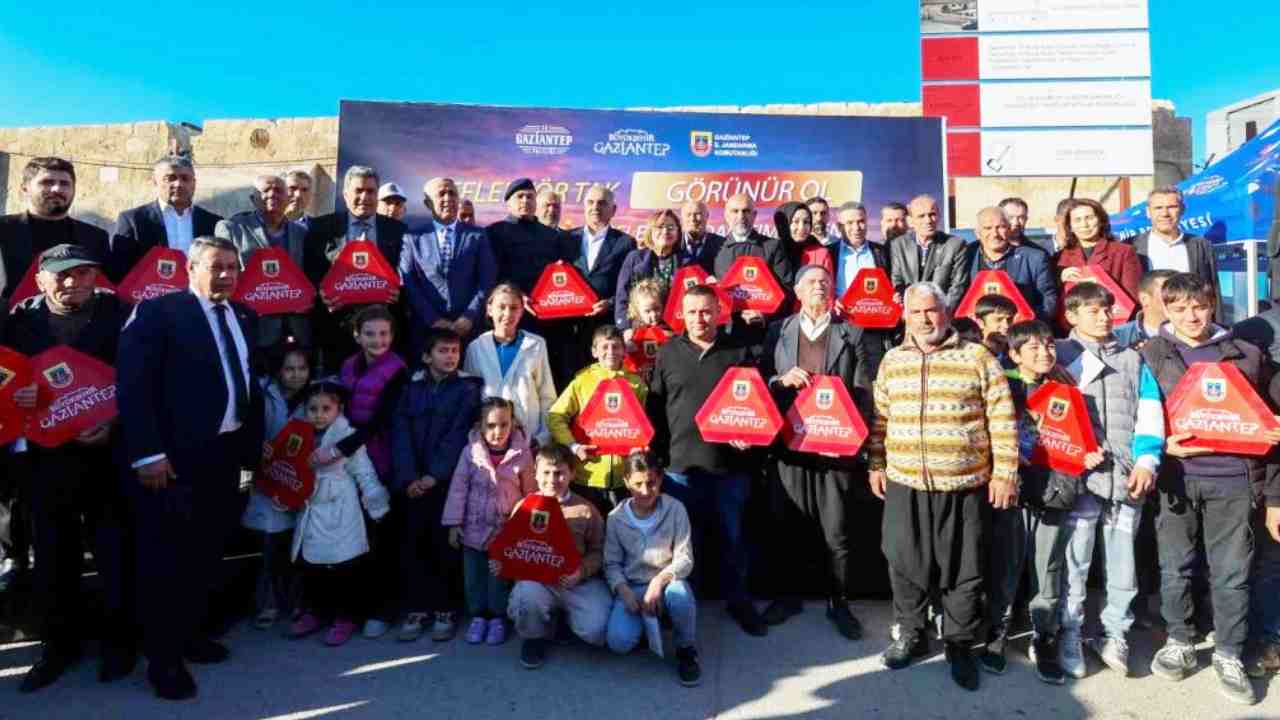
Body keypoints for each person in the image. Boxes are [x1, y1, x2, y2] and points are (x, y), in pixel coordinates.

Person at [117, 236, 263, 700]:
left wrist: (249, 454)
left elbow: (246, 383)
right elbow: (134, 386)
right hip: (173, 461)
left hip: (224, 457)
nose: (226, 275)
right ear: (191, 269)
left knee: (205, 553)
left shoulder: (244, 315)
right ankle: (163, 662)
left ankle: (191, 637)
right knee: (166, 561)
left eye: (233, 267)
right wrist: (147, 454)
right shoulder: (160, 313)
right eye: (216, 267)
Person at [867, 281, 1018, 691]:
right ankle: (913, 634)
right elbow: (881, 419)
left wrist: (1005, 473)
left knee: (963, 569)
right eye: (915, 312)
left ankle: (959, 644)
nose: (924, 319)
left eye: (931, 311)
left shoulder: (977, 358)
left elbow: (1002, 419)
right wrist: (876, 463)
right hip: (905, 480)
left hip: (962, 483)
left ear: (947, 313)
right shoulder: (892, 360)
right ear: (906, 317)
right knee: (903, 562)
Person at [1139, 273, 1275, 706]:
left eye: (1198, 307)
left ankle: (1229, 652)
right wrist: (1162, 447)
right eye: (1179, 309)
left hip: (1233, 480)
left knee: (1231, 573)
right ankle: (1180, 639)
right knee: (1175, 566)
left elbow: (1268, 420)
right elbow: (1144, 415)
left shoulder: (1247, 355)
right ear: (1166, 310)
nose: (1190, 316)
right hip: (1179, 478)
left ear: (1212, 304)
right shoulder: (1153, 352)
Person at [5, 244, 133, 692]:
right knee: (53, 558)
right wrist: (16, 396)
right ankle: (58, 648)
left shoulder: (121, 314)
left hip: (106, 454)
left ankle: (119, 645)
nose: (73, 283)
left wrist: (113, 422)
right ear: (40, 279)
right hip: (45, 461)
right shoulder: (18, 321)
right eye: (62, 275)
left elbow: (139, 376)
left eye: (82, 274)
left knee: (114, 552)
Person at [761, 265, 881, 638]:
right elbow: (761, 380)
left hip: (836, 448)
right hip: (790, 446)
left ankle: (839, 602)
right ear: (797, 289)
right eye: (811, 281)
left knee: (837, 529)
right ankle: (787, 596)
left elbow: (865, 391)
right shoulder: (777, 331)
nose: (819, 286)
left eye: (825, 282)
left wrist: (847, 435)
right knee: (787, 525)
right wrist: (781, 380)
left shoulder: (853, 331)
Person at [1053, 282, 1164, 680]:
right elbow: (1050, 416)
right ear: (1072, 315)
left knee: (1123, 560)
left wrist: (1147, 461)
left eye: (1107, 309)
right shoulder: (1058, 356)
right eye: (1093, 310)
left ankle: (1115, 631)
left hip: (1127, 477)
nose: (1103, 316)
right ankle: (1070, 631)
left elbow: (1150, 412)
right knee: (1075, 559)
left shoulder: (1134, 360)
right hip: (1082, 479)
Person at [647, 285, 767, 636]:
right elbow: (655, 409)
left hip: (729, 467)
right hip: (680, 468)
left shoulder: (739, 352)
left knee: (733, 541)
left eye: (706, 311)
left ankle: (739, 602)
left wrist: (752, 439)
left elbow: (756, 408)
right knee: (683, 546)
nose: (700, 318)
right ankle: (684, 606)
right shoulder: (668, 352)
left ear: (719, 313)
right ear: (681, 314)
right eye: (693, 311)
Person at [990, 320, 1094, 684]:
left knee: (1048, 567)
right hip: (1013, 488)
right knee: (1007, 564)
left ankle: (1042, 637)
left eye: (1049, 345)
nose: (1045, 352)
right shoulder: (1003, 385)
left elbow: (1084, 437)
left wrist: (1090, 453)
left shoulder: (1067, 388)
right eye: (1033, 347)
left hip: (1055, 487)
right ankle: (997, 633)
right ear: (1014, 354)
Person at [389, 328, 481, 643]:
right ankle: (417, 607)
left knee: (445, 546)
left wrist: (433, 476)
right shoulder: (410, 388)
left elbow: (458, 435)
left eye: (455, 351)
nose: (450, 356)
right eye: (443, 351)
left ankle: (445, 608)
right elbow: (399, 433)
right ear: (427, 356)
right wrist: (409, 477)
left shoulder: (468, 389)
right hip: (412, 482)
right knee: (414, 544)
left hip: (445, 481)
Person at [286, 381, 391, 646]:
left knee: (343, 566)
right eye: (313, 409)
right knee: (311, 564)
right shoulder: (298, 436)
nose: (319, 414)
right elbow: (289, 467)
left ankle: (345, 617)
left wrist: (376, 501)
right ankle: (315, 611)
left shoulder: (347, 437)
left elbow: (363, 472)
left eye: (326, 409)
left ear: (338, 409)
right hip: (311, 508)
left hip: (340, 509)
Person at [335, 305, 408, 638]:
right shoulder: (348, 366)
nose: (377, 340)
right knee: (353, 535)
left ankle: (383, 609)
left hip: (382, 458)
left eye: (384, 333)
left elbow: (382, 419)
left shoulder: (398, 370)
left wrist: (344, 446)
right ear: (356, 335)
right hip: (351, 460)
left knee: (383, 538)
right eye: (370, 334)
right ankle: (351, 610)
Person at [441, 397, 536, 646]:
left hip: (505, 532)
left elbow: (531, 493)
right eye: (491, 425)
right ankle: (478, 616)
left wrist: (525, 528)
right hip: (473, 528)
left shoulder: (522, 454)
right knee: (473, 577)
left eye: (504, 425)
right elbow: (458, 488)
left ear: (513, 424)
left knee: (499, 577)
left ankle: (497, 618)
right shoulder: (470, 452)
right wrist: (454, 523)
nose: (498, 432)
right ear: (480, 426)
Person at [507, 444, 612, 669]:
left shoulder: (586, 509)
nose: (552, 479)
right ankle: (533, 638)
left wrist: (581, 571)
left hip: (576, 581)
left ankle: (565, 619)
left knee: (598, 629)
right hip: (538, 582)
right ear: (535, 472)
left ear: (572, 473)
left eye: (559, 473)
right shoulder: (524, 507)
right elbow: (511, 548)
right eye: (546, 473)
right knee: (526, 598)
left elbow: (599, 551)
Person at [604, 451, 701, 686]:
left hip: (667, 582)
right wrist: (622, 589)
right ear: (626, 481)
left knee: (679, 596)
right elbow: (611, 563)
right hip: (633, 585)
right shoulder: (616, 518)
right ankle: (650, 625)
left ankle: (686, 649)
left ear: (660, 479)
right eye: (638, 484)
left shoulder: (675, 509)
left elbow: (685, 557)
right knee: (618, 642)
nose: (646, 491)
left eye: (652, 482)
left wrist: (659, 581)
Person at [302, 165, 407, 370]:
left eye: (371, 191)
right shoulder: (321, 228)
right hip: (337, 328)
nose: (365, 197)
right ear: (345, 194)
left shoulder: (398, 230)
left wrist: (399, 291)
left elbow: (406, 274)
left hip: (385, 329)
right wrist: (321, 293)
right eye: (359, 191)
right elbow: (310, 272)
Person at [243, 344, 311, 631]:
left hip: (301, 480)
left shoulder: (316, 395)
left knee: (300, 547)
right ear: (278, 371)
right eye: (289, 369)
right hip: (267, 478)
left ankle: (298, 602)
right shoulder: (261, 393)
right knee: (269, 546)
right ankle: (268, 603)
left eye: (302, 369)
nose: (296, 375)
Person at [548, 325, 649, 513]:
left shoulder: (637, 384)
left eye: (616, 346)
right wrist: (573, 447)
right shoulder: (582, 381)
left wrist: (640, 445)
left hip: (624, 476)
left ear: (624, 350)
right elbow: (555, 416)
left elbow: (644, 425)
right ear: (594, 351)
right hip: (587, 474)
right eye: (604, 347)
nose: (610, 352)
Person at [215, 175, 311, 350]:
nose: (272, 195)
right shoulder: (232, 228)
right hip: (251, 326)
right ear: (253, 198)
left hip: (294, 327)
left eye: (279, 191)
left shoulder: (301, 232)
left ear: (288, 198)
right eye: (265, 190)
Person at [400, 177, 496, 352]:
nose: (448, 198)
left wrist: (469, 315)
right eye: (441, 194)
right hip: (426, 330)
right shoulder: (412, 237)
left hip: (468, 329)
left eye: (452, 193)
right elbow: (409, 283)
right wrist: (433, 319)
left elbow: (487, 280)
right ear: (427, 203)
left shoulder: (478, 235)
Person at [0, 157, 109, 303]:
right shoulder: (4, 230)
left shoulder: (95, 237)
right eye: (47, 182)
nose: (57, 189)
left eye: (64, 184)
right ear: (25, 188)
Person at [556, 185, 636, 384]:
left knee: (602, 383)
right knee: (568, 381)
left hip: (605, 327)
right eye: (590, 202)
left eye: (602, 203)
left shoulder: (625, 243)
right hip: (569, 328)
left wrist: (609, 302)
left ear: (614, 210)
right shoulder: (565, 239)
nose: (595, 207)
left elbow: (629, 287)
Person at [462, 283, 557, 447]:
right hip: (489, 439)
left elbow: (546, 394)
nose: (508, 313)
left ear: (522, 311)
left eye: (514, 308)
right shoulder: (476, 347)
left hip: (528, 437)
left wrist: (542, 437)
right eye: (502, 307)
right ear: (490, 309)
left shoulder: (535, 344)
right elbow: (469, 399)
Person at [108, 155, 223, 282]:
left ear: (194, 184)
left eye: (185, 178)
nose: (178, 184)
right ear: (155, 182)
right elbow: (120, 269)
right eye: (170, 178)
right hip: (150, 297)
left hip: (199, 298)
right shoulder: (133, 220)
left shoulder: (213, 222)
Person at [714, 193, 793, 351]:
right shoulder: (716, 248)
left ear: (755, 215)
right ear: (726, 215)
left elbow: (788, 290)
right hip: (726, 339)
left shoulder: (772, 246)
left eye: (746, 211)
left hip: (763, 338)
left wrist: (765, 316)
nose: (741, 216)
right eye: (735, 211)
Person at [1130, 187, 1221, 317]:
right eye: (1158, 208)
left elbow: (1213, 290)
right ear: (1148, 212)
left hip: (1190, 322)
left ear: (1182, 209)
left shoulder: (1201, 245)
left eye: (1172, 207)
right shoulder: (1131, 246)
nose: (1165, 213)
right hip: (1149, 326)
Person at [964, 207, 1058, 322]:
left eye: (1001, 227)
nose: (995, 234)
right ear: (977, 233)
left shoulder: (1035, 258)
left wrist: (1025, 321)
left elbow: (1049, 301)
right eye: (988, 228)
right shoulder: (966, 256)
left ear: (1009, 229)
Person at [486, 178, 567, 308]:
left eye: (530, 197)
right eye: (520, 196)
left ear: (536, 202)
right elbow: (492, 273)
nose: (525, 200)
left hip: (546, 307)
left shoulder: (551, 235)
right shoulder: (494, 232)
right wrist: (517, 294)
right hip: (510, 307)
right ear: (508, 204)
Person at [615, 209, 695, 330]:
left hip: (675, 330)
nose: (665, 231)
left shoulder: (688, 261)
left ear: (678, 232)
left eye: (671, 227)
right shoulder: (634, 258)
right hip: (639, 328)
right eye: (660, 227)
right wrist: (627, 328)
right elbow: (622, 297)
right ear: (650, 232)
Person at [887, 195, 967, 308]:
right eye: (921, 216)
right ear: (910, 221)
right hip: (911, 313)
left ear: (938, 216)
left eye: (932, 214)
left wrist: (943, 313)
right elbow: (897, 280)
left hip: (942, 312)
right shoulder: (898, 245)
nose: (928, 220)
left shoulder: (955, 244)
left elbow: (958, 286)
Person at [1055, 198, 1142, 301]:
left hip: (1114, 314)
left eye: (1089, 218)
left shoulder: (1123, 252)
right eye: (1077, 220)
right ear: (1070, 227)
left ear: (1101, 221)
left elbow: (1133, 296)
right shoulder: (1059, 258)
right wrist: (1060, 281)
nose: (1084, 225)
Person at [832, 201, 890, 300]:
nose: (857, 227)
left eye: (861, 221)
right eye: (850, 223)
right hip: (839, 314)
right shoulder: (829, 253)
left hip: (873, 313)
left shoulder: (881, 252)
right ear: (839, 227)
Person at [1113, 269, 1178, 349]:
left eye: (1179, 291)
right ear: (1144, 299)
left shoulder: (1193, 330)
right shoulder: (1118, 337)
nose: (1176, 297)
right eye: (1168, 292)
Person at [775, 202, 829, 276]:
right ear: (783, 225)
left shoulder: (820, 253)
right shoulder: (772, 252)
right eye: (796, 222)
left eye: (806, 222)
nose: (802, 228)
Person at [680, 200, 724, 274]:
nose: (693, 219)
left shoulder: (722, 244)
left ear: (707, 216)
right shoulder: (673, 244)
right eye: (688, 215)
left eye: (697, 214)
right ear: (682, 218)